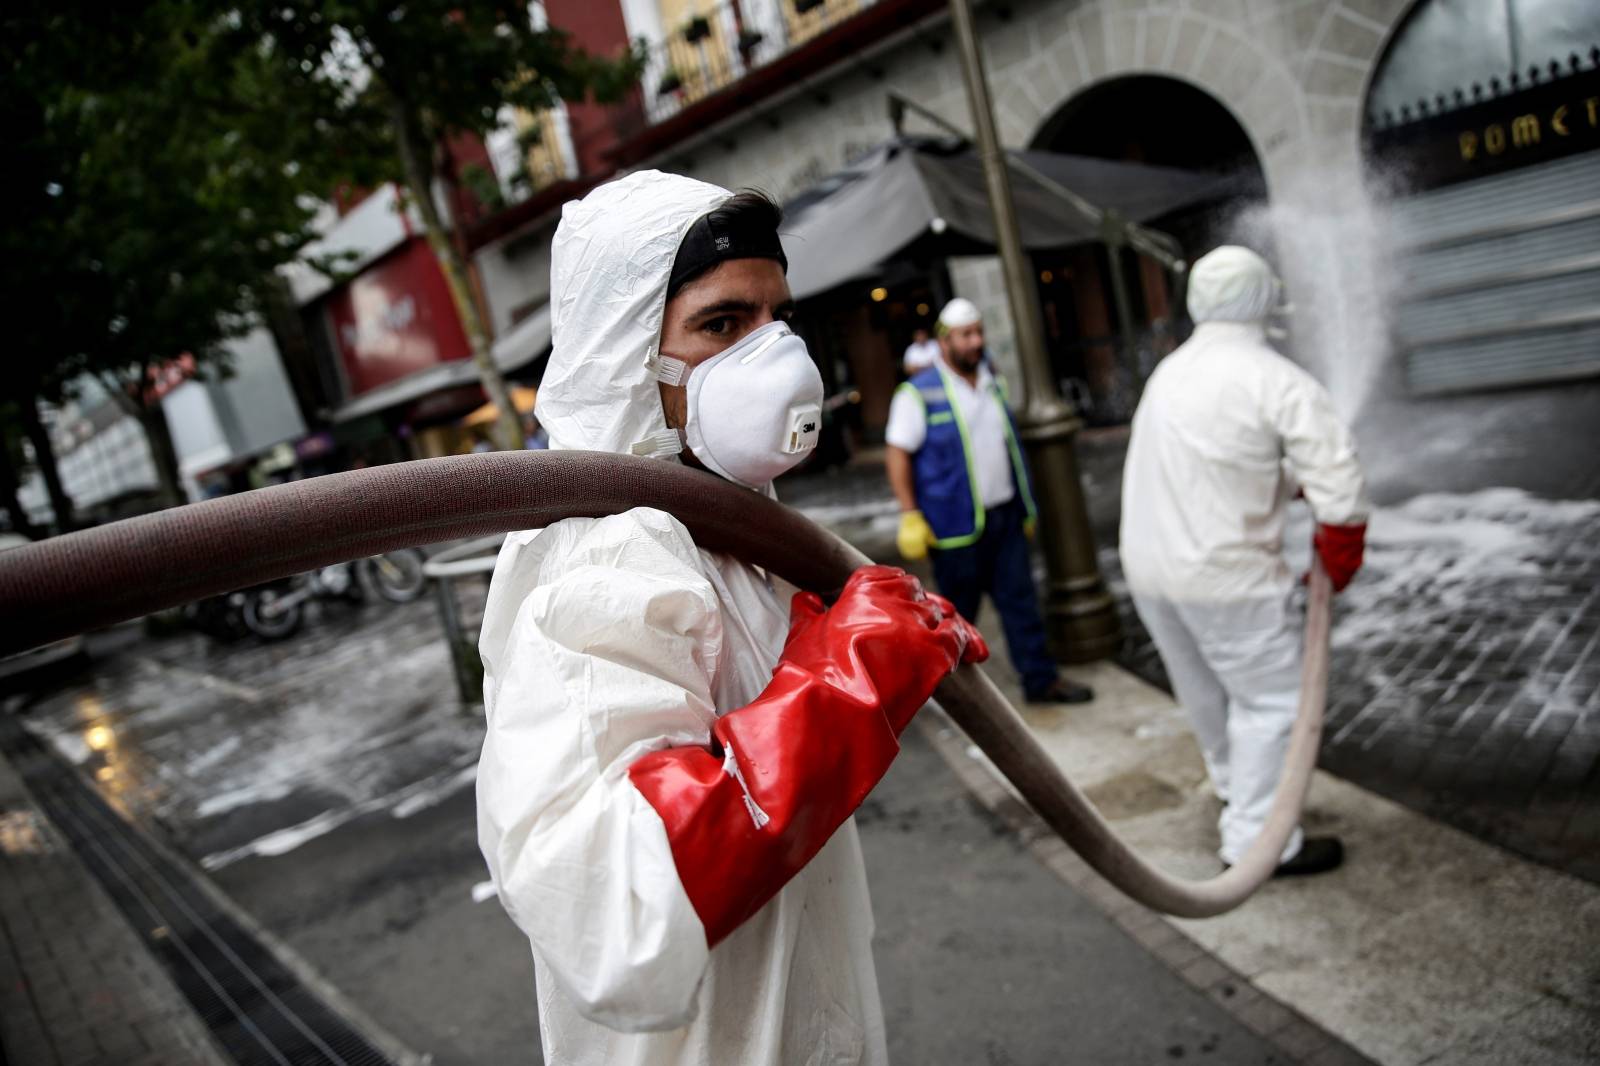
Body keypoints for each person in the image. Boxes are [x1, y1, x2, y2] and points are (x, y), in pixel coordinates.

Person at [475, 172, 986, 1066]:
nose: (773, 355)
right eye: (721, 324)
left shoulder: (717, 534)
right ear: (631, 353)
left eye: (775, 316)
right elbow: (612, 910)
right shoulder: (605, 559)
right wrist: (849, 684)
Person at [1119, 245, 1369, 877]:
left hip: (1150, 571)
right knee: (1272, 702)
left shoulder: (1169, 373)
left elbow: (1214, 460)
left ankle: (1235, 789)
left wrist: (1283, 482)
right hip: (1227, 578)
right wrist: (1338, 560)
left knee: (1203, 691)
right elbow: (1342, 493)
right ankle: (1259, 841)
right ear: (1266, 298)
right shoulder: (1278, 380)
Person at [885, 298, 1093, 706]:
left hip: (1004, 518)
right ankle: (955, 697)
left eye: (979, 332)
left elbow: (1008, 447)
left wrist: (1025, 505)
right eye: (966, 335)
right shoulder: (917, 393)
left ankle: (1040, 679)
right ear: (945, 341)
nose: (976, 342)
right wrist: (910, 514)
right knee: (957, 617)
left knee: (1022, 605)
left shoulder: (992, 381)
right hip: (954, 527)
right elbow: (897, 452)